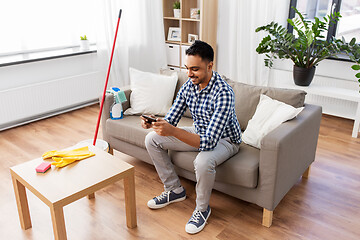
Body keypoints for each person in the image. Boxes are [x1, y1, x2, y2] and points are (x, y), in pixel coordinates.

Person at [140, 40, 242, 234]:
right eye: (187, 68)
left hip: (225, 140)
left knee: (203, 162)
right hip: (201, 131)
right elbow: (172, 118)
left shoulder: (224, 93)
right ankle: (174, 190)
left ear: (210, 65)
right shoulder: (189, 86)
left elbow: (210, 142)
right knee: (151, 139)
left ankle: (202, 209)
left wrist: (173, 131)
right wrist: (154, 123)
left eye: (195, 69)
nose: (189, 74)